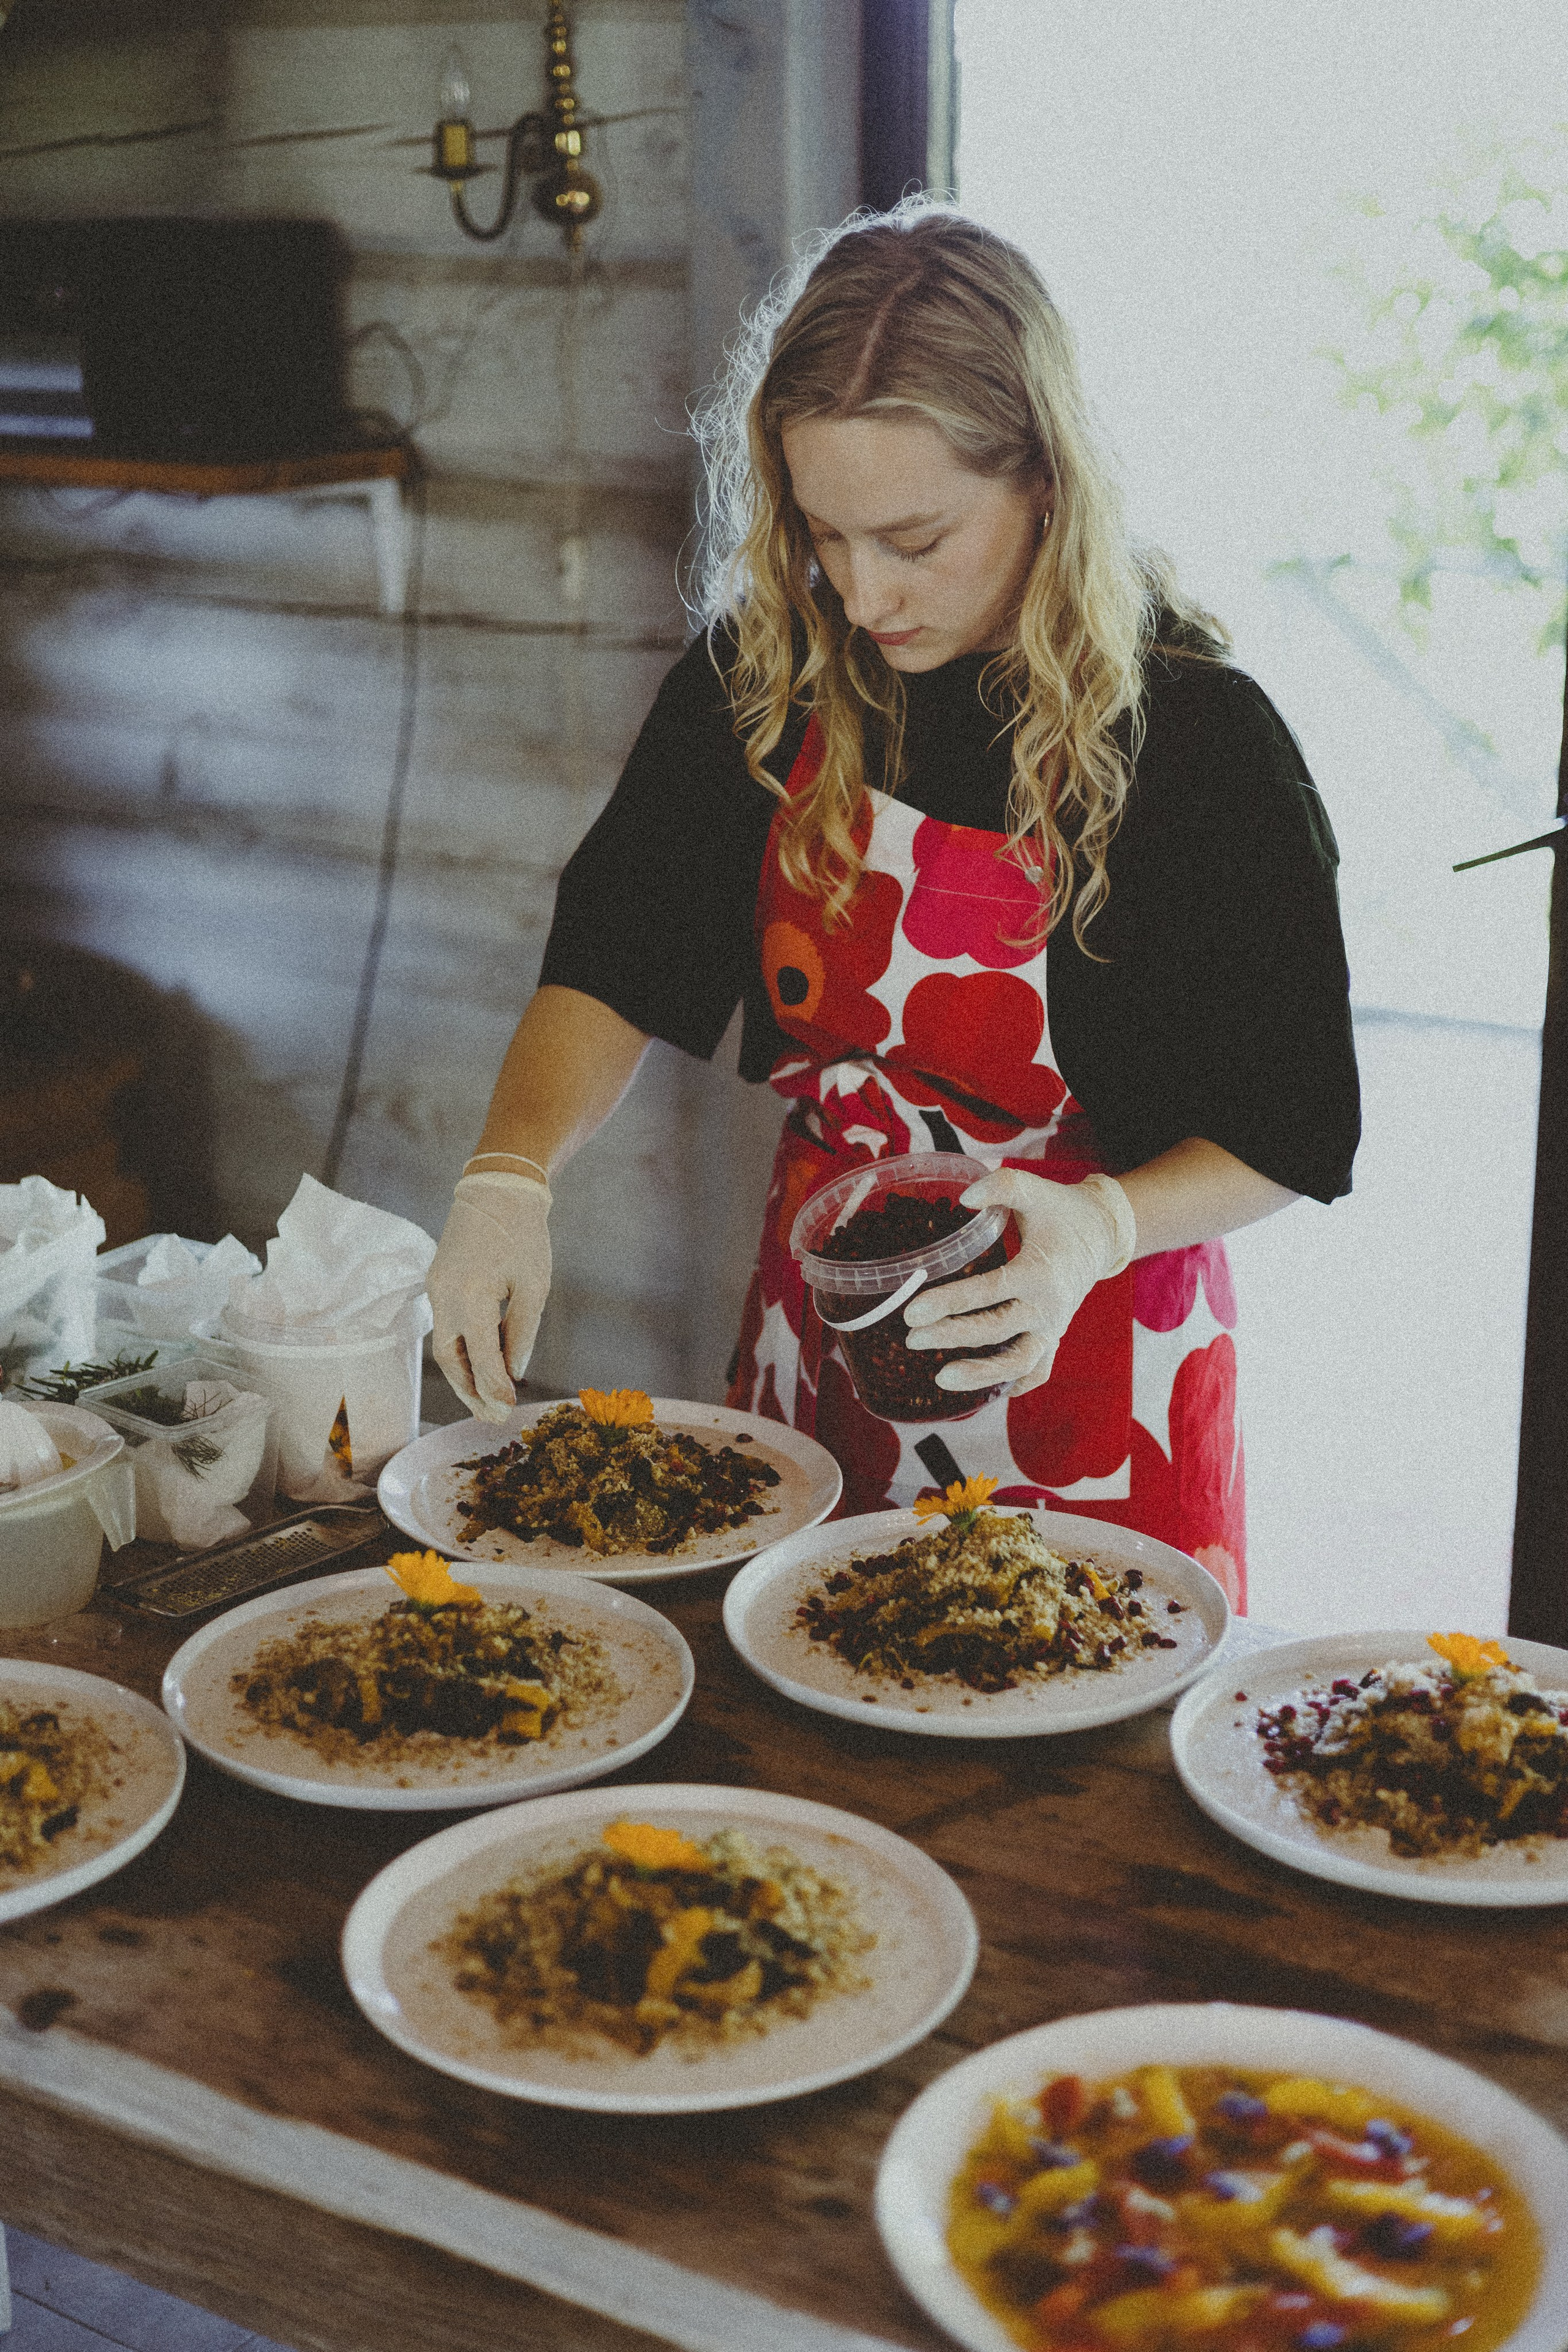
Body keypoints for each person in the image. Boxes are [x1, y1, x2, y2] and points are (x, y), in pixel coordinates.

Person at [428, 205, 1359, 1613]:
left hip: (1090, 1348)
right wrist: (508, 1175)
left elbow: (1290, 1125)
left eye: (915, 539)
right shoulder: (765, 679)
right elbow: (617, 956)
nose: (865, 593)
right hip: (825, 1339)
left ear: (1043, 479)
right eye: (824, 533)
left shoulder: (1197, 743)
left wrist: (1100, 1227)